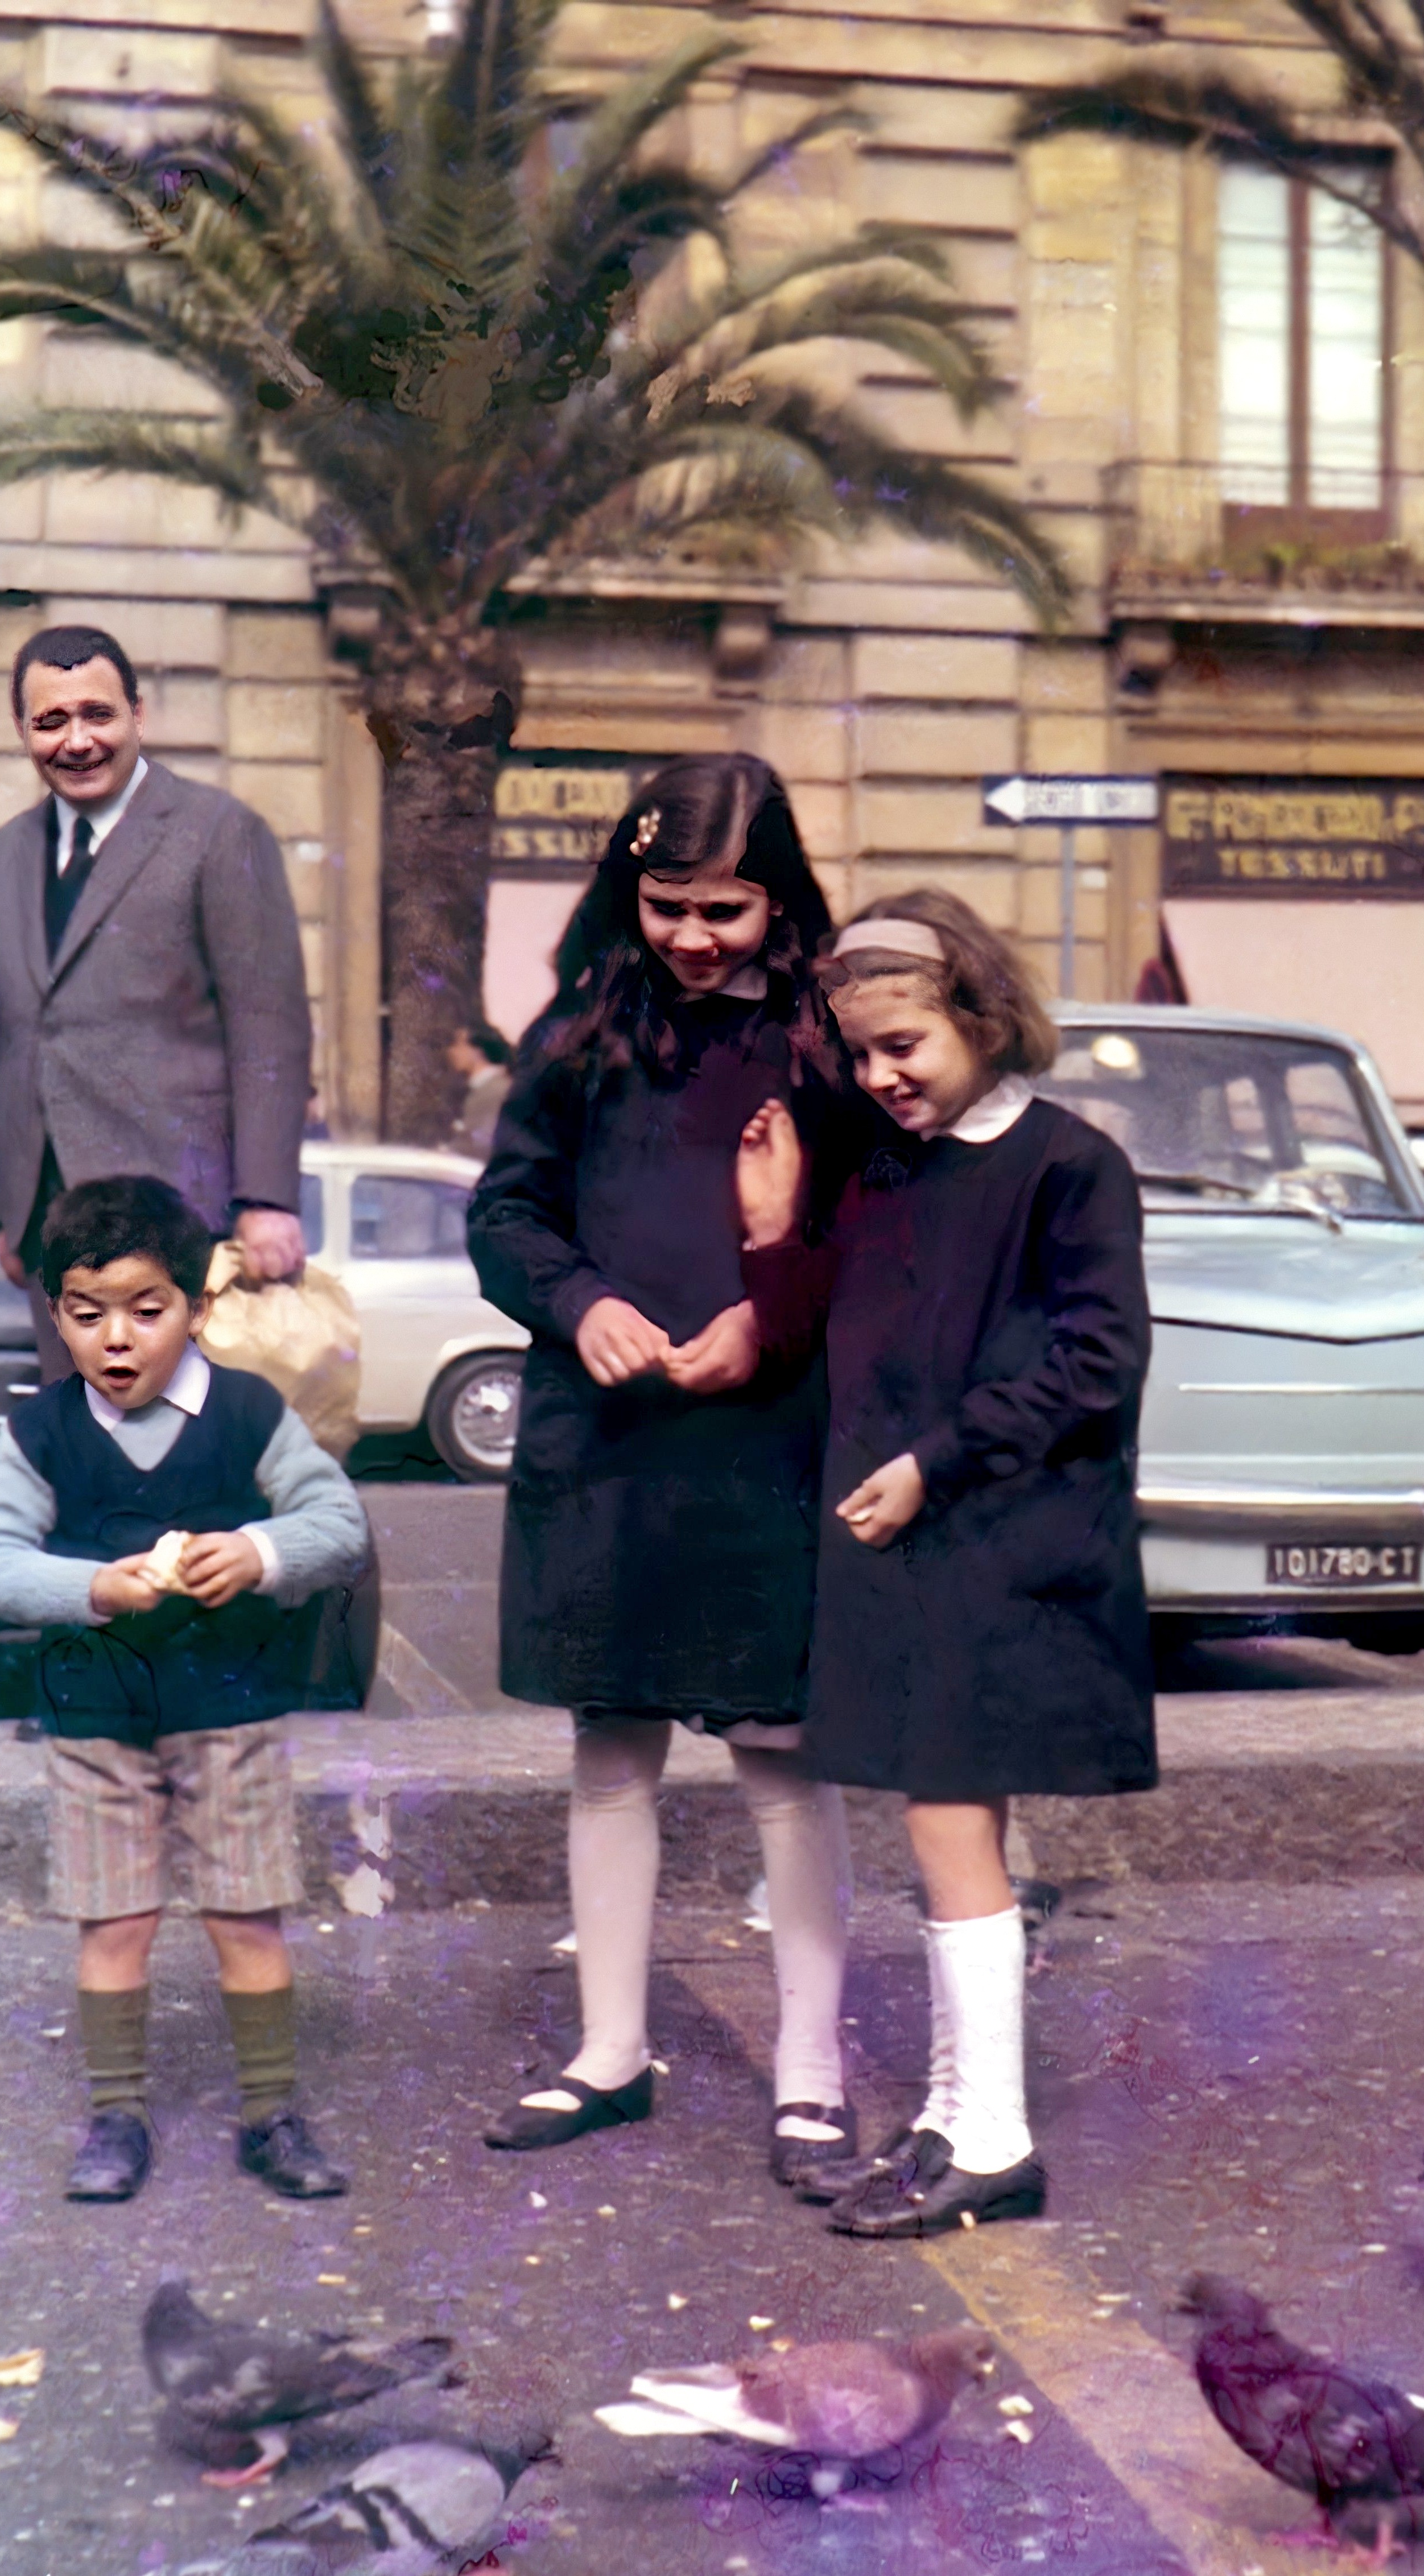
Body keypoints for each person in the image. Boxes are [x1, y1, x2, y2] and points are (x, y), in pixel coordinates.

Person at [735, 889, 1155, 2238]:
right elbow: (825, 1333)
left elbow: (1096, 1360)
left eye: (903, 1042)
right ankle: (950, 2111)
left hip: (1003, 1538)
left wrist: (938, 1457)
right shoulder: (882, 1166)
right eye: (860, 1055)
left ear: (981, 1013)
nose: (879, 1075)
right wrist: (770, 1227)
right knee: (936, 1824)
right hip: (921, 1540)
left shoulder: (1066, 1161)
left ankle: (991, 2132)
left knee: (946, 1822)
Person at [467, 753, 864, 2174]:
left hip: (768, 1439)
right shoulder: (575, 1031)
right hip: (607, 1435)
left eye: (728, 907)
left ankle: (810, 2069)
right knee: (609, 1749)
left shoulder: (829, 1038)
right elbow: (504, 1218)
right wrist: (581, 1303)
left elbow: (878, 1225)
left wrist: (767, 1314)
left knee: (780, 1760)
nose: (694, 935)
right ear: (625, 890)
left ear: (782, 899)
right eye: (666, 903)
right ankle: (606, 2051)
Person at [0, 1173, 372, 2206]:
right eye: (88, 1314)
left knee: (246, 1913)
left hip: (228, 1703)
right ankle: (116, 2113)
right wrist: (92, 1586)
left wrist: (260, 1551)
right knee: (116, 1919)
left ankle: (271, 2110)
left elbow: (339, 1526)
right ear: (56, 1313)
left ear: (194, 1307)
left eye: (148, 1312)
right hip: (96, 1713)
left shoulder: (246, 1412)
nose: (118, 1340)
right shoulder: (43, 1431)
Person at [0, 624, 312, 1382]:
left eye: (98, 715)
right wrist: (9, 1206)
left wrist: (265, 1198)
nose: (77, 740)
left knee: (180, 1458)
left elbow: (269, 1025)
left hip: (178, 1211)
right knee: (80, 1452)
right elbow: (2, 1041)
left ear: (139, 714)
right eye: (51, 721)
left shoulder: (220, 834)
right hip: (50, 1218)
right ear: (23, 731)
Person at [446, 1023, 514, 1157]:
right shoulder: (483, 1088)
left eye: (459, 1045)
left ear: (477, 1052)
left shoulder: (496, 1090)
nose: (452, 1052)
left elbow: (482, 1144)